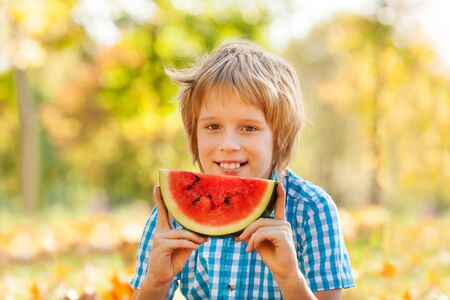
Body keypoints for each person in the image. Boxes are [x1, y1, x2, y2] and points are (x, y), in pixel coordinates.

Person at [130, 40, 355, 300]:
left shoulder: (312, 209)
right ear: (194, 134)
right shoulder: (170, 217)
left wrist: (289, 277)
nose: (228, 145)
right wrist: (156, 283)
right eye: (213, 127)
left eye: (249, 128)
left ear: (279, 137)